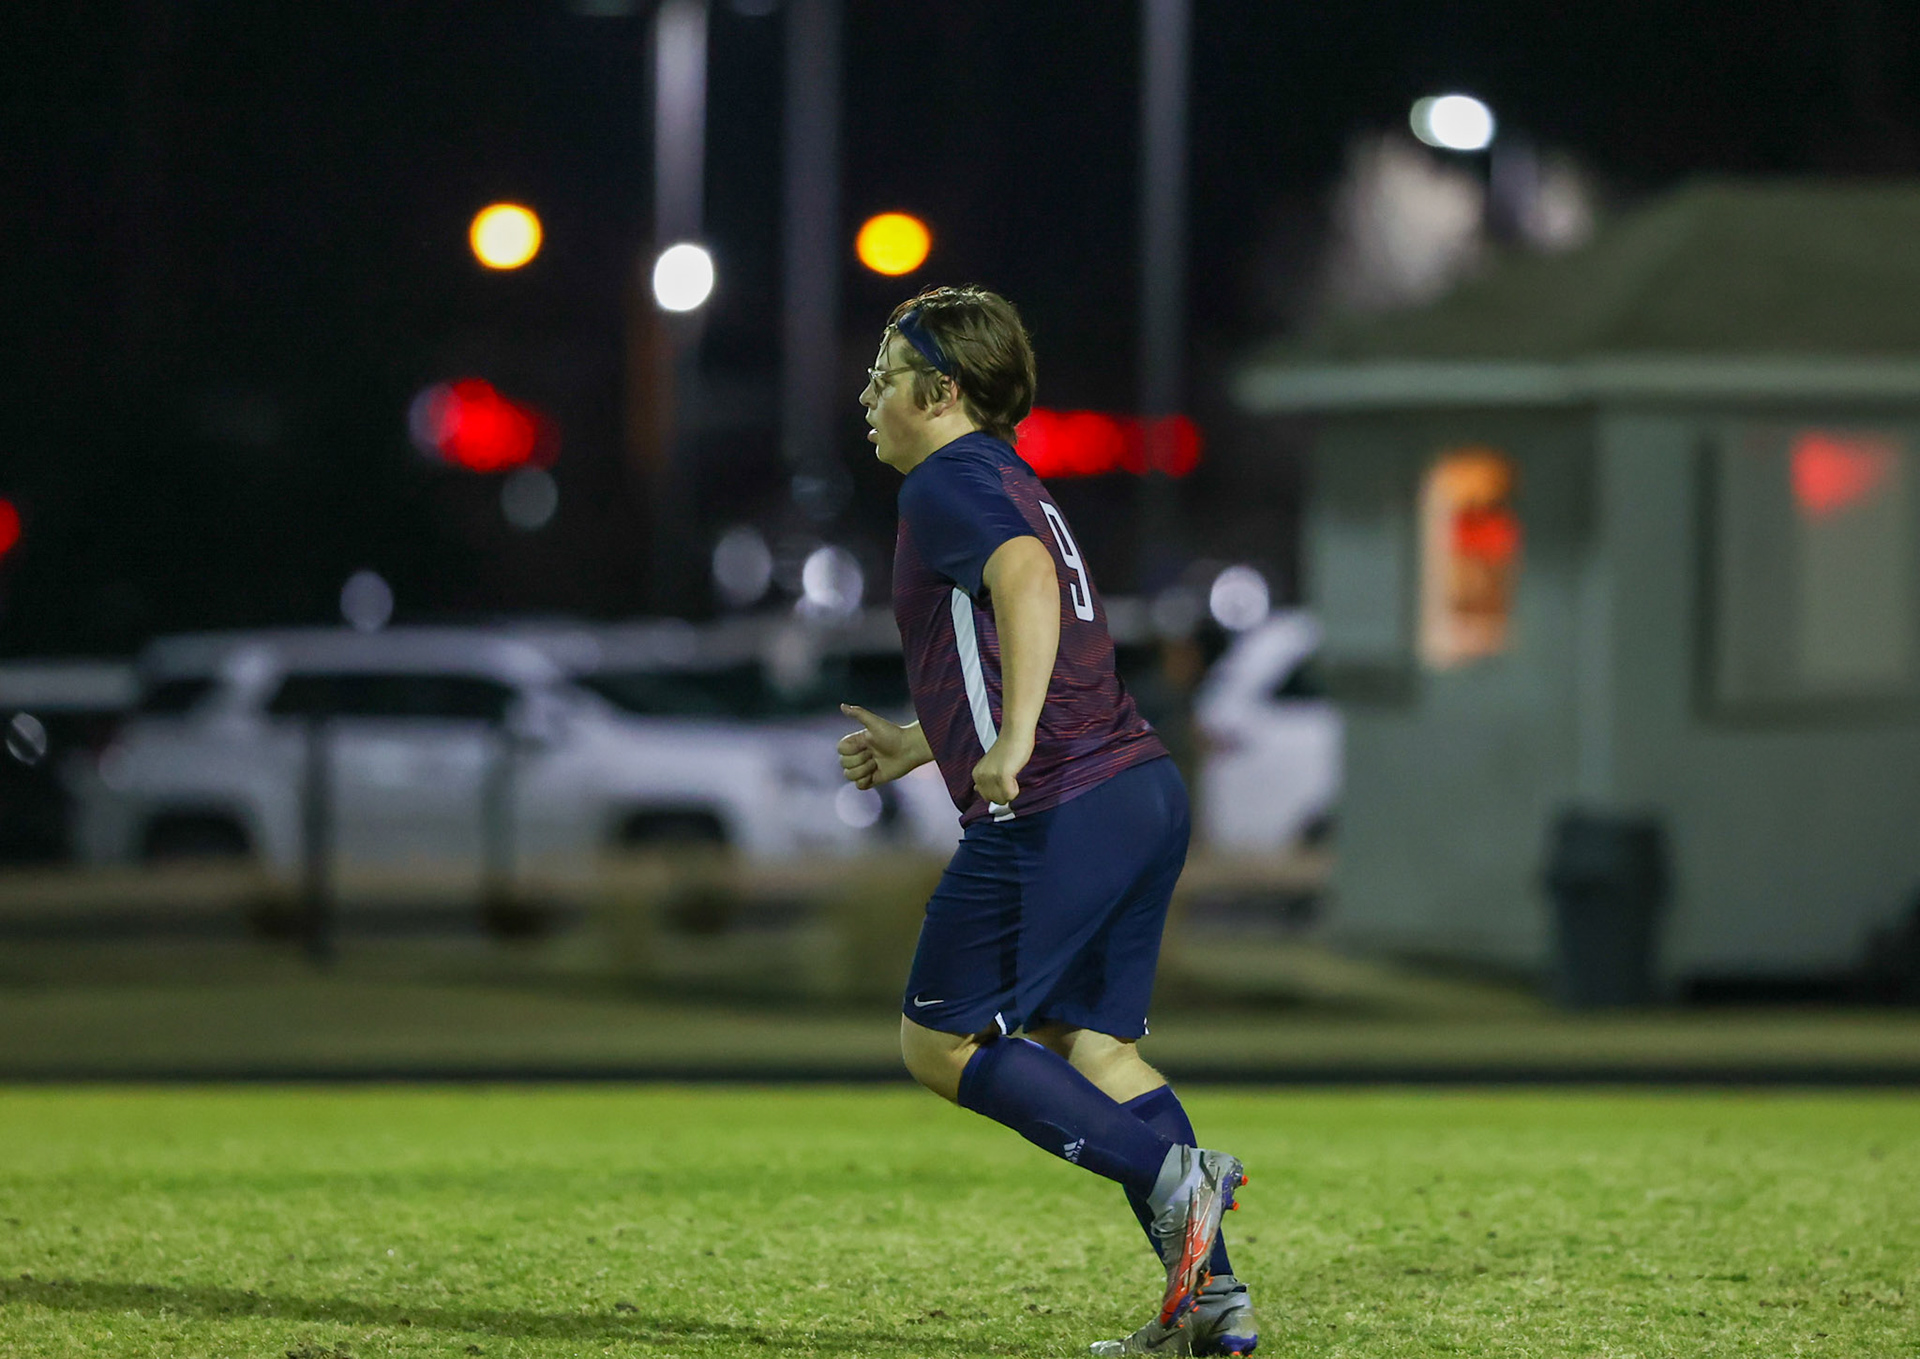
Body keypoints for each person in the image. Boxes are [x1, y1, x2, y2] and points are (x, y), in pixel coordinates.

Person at [836, 285, 1259, 1356]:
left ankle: (1175, 1178)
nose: (869, 394)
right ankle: (1213, 1302)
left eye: (886, 375)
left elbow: (1022, 584)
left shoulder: (946, 483)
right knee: (1097, 1049)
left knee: (939, 1041)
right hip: (1138, 789)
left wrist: (1012, 744)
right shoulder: (1011, 477)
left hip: (1063, 798)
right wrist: (926, 738)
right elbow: (1033, 632)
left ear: (942, 391)